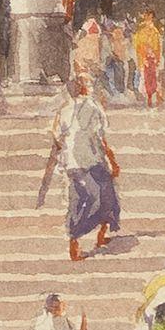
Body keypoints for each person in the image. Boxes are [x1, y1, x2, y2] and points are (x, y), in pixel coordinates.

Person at [46, 74, 121, 262]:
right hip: (92, 160)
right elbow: (100, 136)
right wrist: (110, 158)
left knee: (78, 201)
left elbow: (56, 135)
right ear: (83, 89)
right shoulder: (92, 106)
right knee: (107, 195)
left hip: (72, 163)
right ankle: (101, 234)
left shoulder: (64, 111)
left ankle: (75, 241)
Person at [132, 9, 164, 107]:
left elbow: (158, 46)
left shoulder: (155, 32)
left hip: (153, 58)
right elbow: (138, 45)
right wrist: (144, 54)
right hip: (144, 58)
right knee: (145, 78)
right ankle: (149, 98)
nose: (148, 19)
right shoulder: (141, 31)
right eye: (146, 17)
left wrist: (156, 57)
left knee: (154, 78)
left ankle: (157, 96)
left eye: (150, 17)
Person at [71, 16, 106, 99]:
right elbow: (79, 59)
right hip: (83, 70)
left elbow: (97, 59)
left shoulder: (96, 43)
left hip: (91, 71)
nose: (95, 37)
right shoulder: (84, 42)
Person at [103, 18, 130, 103]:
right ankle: (114, 95)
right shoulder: (108, 36)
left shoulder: (117, 32)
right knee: (111, 76)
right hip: (111, 58)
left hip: (118, 58)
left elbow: (120, 43)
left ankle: (119, 94)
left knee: (118, 76)